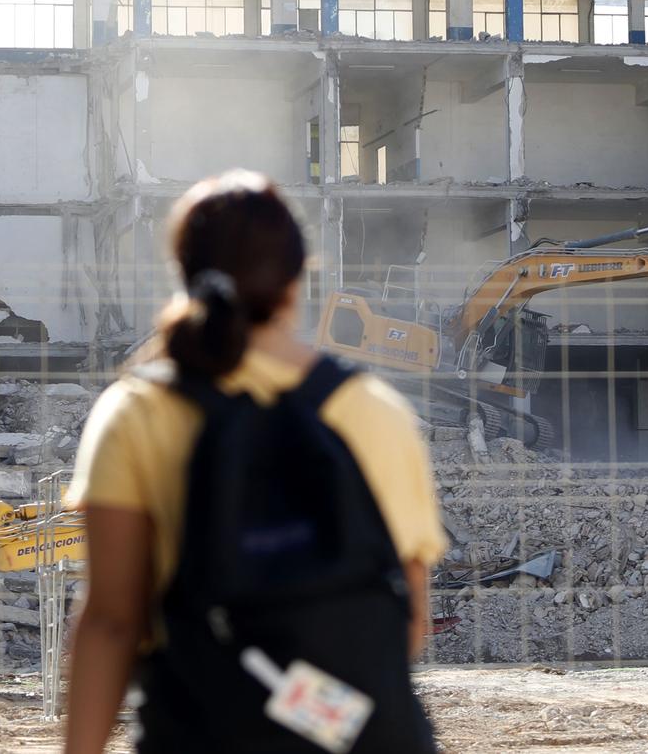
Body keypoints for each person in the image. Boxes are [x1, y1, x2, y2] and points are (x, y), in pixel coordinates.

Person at [63, 171, 446, 754]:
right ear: (297, 277)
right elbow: (409, 622)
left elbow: (113, 621)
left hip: (196, 731)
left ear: (185, 274)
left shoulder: (136, 413)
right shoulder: (374, 411)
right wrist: (308, 710)